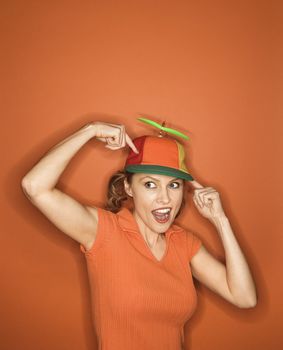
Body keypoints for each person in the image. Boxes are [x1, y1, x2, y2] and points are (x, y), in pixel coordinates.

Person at [21, 121, 257, 350]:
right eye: (150, 185)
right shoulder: (104, 231)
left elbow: (244, 298)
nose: (165, 198)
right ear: (128, 188)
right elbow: (34, 186)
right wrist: (89, 130)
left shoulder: (184, 243)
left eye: (173, 185)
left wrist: (221, 221)